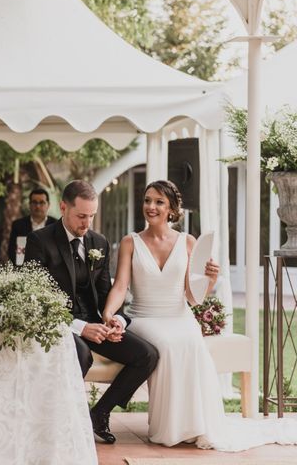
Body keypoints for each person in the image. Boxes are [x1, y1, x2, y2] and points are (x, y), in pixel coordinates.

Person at [102, 179, 297, 451]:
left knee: (191, 342)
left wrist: (209, 279)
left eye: (159, 202)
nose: (151, 206)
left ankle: (195, 426)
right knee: (169, 345)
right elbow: (120, 286)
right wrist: (109, 313)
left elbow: (194, 298)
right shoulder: (130, 242)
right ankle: (167, 428)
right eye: (148, 200)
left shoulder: (188, 242)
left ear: (171, 209)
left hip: (179, 315)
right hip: (145, 316)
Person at [24, 180, 159, 444]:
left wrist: (115, 319)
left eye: (92, 216)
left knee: (147, 355)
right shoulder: (39, 241)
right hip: (59, 323)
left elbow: (106, 290)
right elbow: (36, 298)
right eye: (81, 216)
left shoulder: (99, 242)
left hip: (95, 323)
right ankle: (61, 421)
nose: (87, 223)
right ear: (64, 207)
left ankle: (99, 413)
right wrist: (79, 327)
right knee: (81, 354)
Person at [7, 188, 57, 265]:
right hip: (24, 270)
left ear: (48, 205)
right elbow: (11, 251)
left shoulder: (56, 225)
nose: (38, 206)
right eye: (34, 202)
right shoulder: (18, 225)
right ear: (29, 204)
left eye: (42, 202)